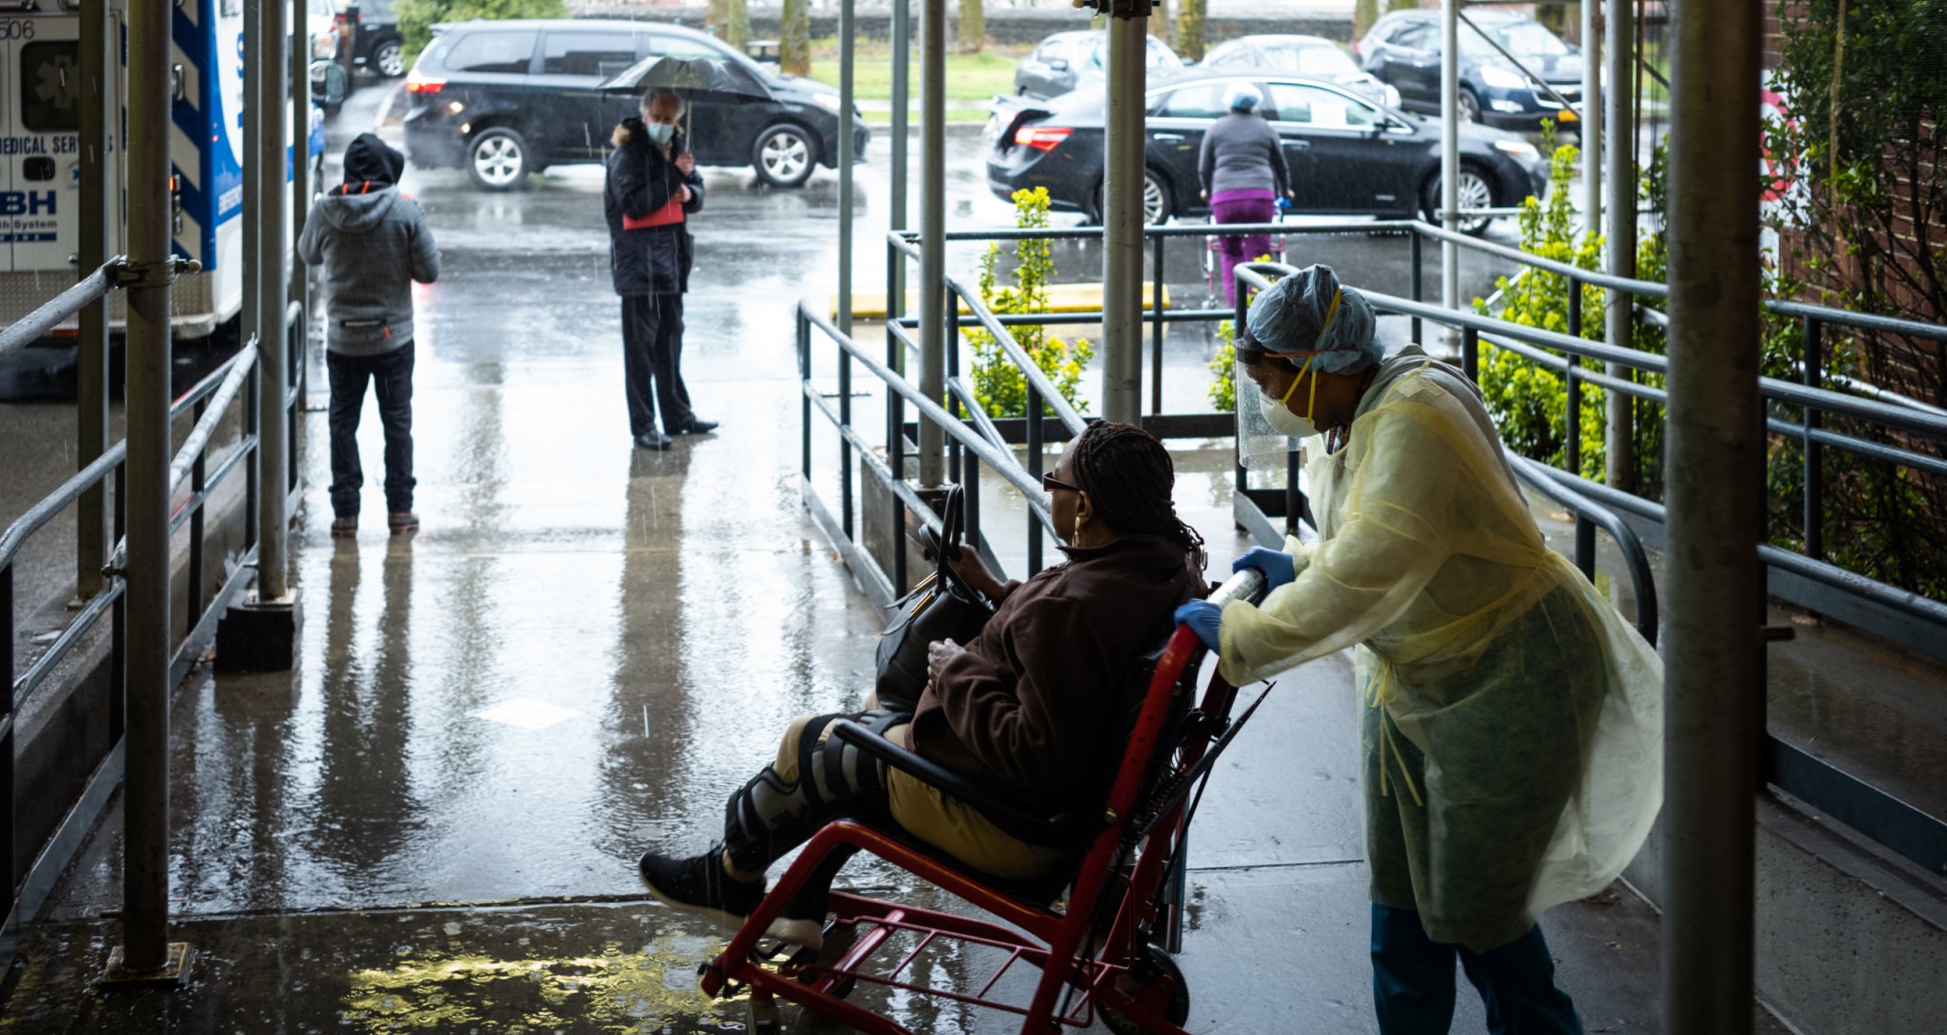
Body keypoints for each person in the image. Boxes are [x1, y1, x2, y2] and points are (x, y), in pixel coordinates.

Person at [1174, 265, 1662, 1035]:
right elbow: (1375, 543)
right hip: (1424, 667)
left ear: (1319, 364)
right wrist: (1300, 562)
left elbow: (1375, 561)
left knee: (1479, 901)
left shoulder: (1414, 414)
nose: (1270, 400)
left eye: (1273, 380)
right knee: (1399, 885)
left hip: (1513, 672)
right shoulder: (1364, 409)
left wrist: (1248, 633)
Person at [638, 420, 1205, 946]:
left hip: (1018, 829)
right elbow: (1071, 648)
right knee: (872, 716)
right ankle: (804, 905)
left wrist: (953, 672)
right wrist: (993, 587)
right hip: (1062, 808)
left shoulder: (1073, 607)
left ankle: (728, 881)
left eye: (1053, 481)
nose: (1046, 489)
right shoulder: (1160, 566)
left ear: (1083, 506)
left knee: (809, 740)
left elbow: (1038, 754)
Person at [297, 132, 441, 537]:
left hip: (343, 341)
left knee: (343, 423)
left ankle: (345, 514)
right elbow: (430, 272)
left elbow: (307, 254)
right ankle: (400, 510)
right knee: (397, 422)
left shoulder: (325, 210)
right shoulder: (404, 210)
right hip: (393, 339)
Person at [605, 87, 717, 452]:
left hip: (671, 264)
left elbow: (695, 190)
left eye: (670, 120)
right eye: (657, 118)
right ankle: (643, 425)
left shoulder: (678, 150)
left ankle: (678, 416)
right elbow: (634, 206)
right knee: (640, 352)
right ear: (644, 116)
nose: (663, 126)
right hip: (640, 269)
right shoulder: (628, 154)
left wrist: (690, 194)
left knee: (670, 345)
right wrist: (673, 177)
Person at [1197, 81, 1293, 278]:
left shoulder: (1216, 128)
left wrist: (1206, 190)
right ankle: (1256, 304)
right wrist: (1285, 190)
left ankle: (1236, 306)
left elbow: (1204, 168)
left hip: (1225, 198)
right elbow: (1281, 166)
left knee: (1230, 253)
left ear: (1229, 104)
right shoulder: (1266, 128)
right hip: (1260, 197)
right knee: (1259, 255)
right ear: (1253, 105)